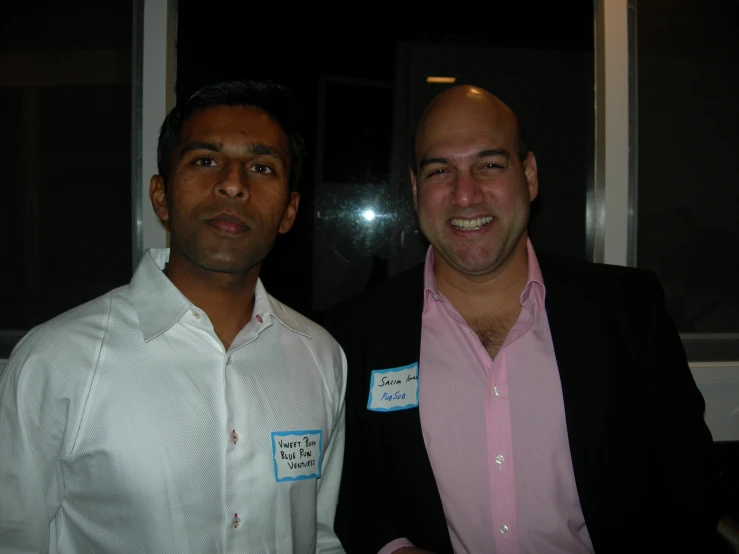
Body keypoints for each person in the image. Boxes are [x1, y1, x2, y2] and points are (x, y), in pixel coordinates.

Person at [321, 85, 719, 553]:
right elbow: (350, 486)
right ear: (414, 189)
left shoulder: (628, 311)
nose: (465, 195)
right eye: (440, 171)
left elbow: (691, 482)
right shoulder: (356, 333)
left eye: (489, 165)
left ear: (529, 176)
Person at [0, 79, 346, 554]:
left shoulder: (321, 358)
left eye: (262, 167)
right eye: (205, 161)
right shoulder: (57, 362)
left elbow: (318, 536)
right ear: (160, 196)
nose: (232, 183)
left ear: (289, 211)